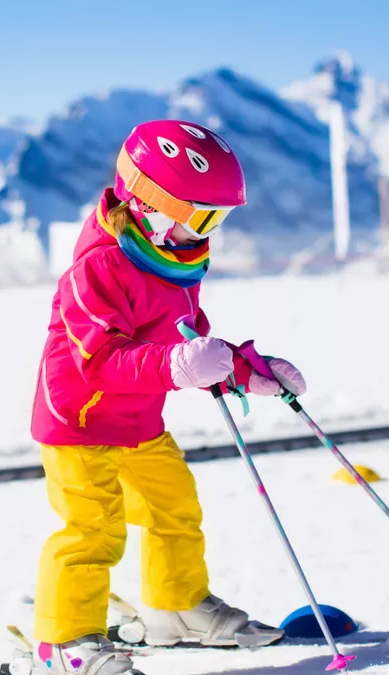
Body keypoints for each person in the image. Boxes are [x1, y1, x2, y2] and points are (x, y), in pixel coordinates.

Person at [27, 120, 308, 675]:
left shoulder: (174, 261)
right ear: (148, 202)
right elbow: (101, 361)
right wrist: (179, 365)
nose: (207, 232)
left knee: (174, 507)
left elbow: (187, 341)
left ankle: (175, 608)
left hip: (138, 417)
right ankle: (63, 643)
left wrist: (242, 371)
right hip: (79, 422)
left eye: (217, 219)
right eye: (201, 216)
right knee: (92, 529)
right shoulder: (97, 268)